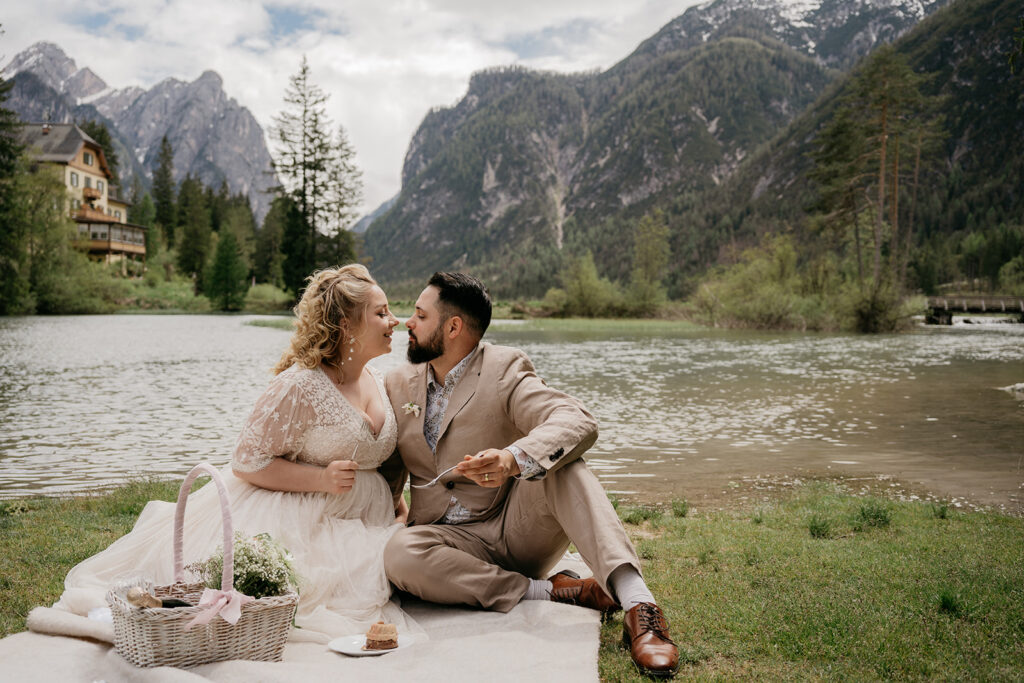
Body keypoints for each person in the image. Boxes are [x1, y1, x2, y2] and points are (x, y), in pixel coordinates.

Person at [56, 264, 417, 643]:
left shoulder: (378, 379)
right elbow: (247, 461)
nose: (394, 320)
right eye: (381, 313)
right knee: (313, 596)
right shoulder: (301, 385)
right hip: (309, 512)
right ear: (346, 325)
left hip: (367, 515)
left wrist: (394, 502)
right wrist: (321, 478)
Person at [379, 272, 680, 677]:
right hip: (444, 542)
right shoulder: (397, 383)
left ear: (453, 327)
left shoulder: (504, 368)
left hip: (514, 529)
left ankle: (639, 606)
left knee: (562, 464)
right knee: (398, 553)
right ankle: (553, 591)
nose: (407, 323)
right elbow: (390, 472)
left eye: (419, 314)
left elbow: (576, 420)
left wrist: (512, 459)